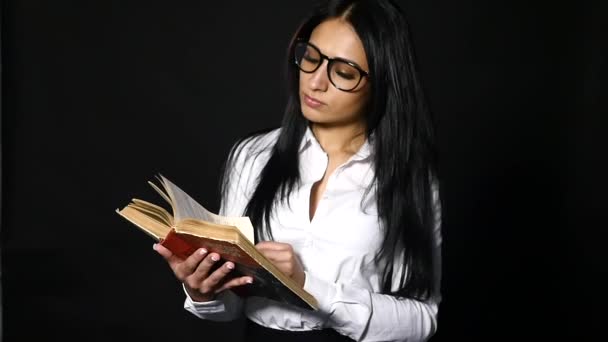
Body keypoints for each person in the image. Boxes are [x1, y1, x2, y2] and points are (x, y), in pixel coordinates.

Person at [153, 0, 442, 341]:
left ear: (382, 82)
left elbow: (423, 319)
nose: (316, 82)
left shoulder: (409, 177)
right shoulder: (253, 156)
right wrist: (203, 290)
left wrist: (307, 286)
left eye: (343, 73)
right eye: (311, 58)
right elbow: (230, 308)